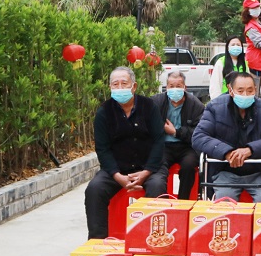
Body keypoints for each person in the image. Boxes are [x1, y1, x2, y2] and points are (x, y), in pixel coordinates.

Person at [85, 67, 167, 239]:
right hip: (118, 169)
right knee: (94, 189)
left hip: (148, 167)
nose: (120, 88)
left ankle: (151, 239)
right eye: (115, 84)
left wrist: (146, 172)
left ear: (134, 86)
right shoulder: (104, 112)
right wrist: (117, 176)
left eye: (124, 83)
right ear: (110, 87)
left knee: (157, 186)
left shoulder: (149, 107)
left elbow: (159, 141)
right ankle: (97, 242)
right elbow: (102, 149)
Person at [192, 72, 261, 202]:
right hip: (225, 170)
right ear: (230, 90)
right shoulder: (215, 107)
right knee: (225, 202)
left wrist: (250, 150)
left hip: (259, 171)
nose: (245, 95)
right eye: (240, 90)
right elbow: (199, 137)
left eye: (250, 91)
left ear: (255, 90)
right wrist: (226, 152)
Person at [151, 70, 205, 200]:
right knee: (158, 168)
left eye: (178, 86)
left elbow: (199, 132)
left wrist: (176, 132)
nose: (175, 89)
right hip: (163, 145)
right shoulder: (156, 102)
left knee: (188, 166)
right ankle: (163, 201)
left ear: (185, 88)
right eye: (171, 86)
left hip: (187, 146)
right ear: (166, 87)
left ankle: (183, 201)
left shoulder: (196, 105)